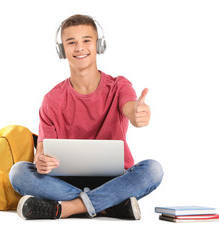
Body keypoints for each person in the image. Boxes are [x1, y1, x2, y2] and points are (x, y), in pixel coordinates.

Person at [9, 14, 163, 220]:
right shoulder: (52, 99)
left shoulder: (119, 85)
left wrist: (137, 113)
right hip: (66, 181)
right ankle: (109, 206)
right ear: (61, 50)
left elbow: (130, 109)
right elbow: (43, 152)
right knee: (18, 172)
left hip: (114, 180)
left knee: (153, 170)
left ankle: (69, 208)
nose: (79, 48)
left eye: (86, 40)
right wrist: (41, 161)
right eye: (71, 42)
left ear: (99, 45)